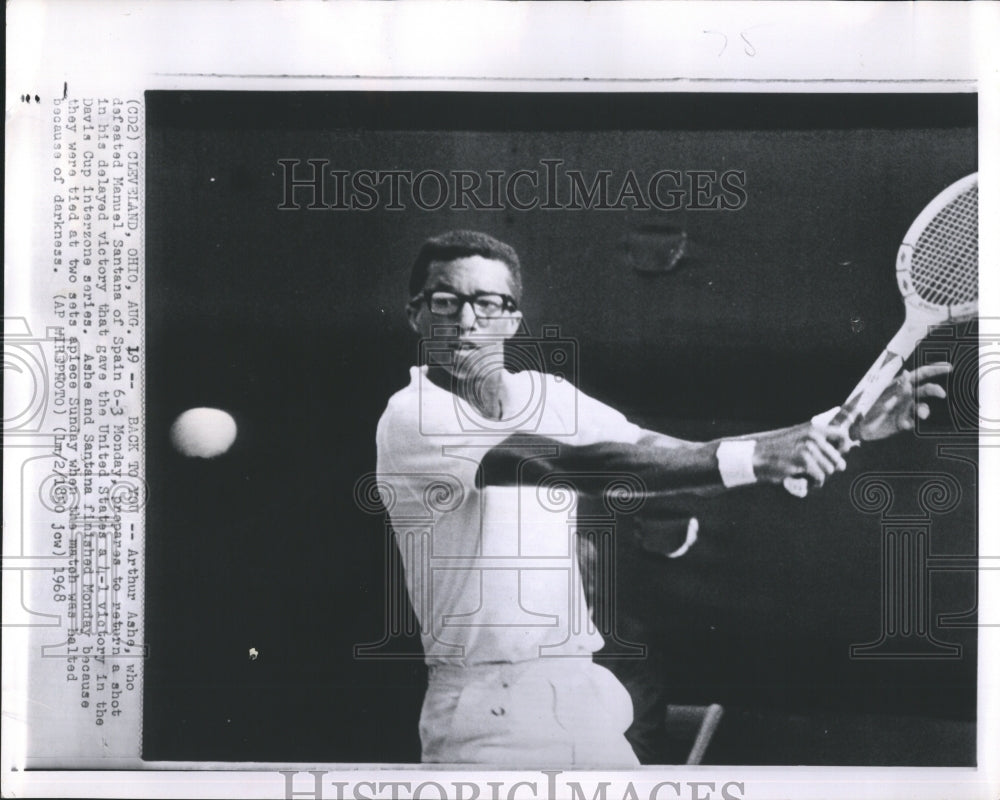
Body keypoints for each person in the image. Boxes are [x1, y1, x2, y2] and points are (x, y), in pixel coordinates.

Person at [374, 229, 950, 767]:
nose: (467, 319)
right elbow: (564, 463)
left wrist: (836, 427)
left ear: (513, 320)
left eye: (488, 303)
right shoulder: (413, 416)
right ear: (416, 315)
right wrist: (759, 458)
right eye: (445, 301)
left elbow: (665, 453)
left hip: (581, 699)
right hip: (486, 716)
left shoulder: (546, 394)